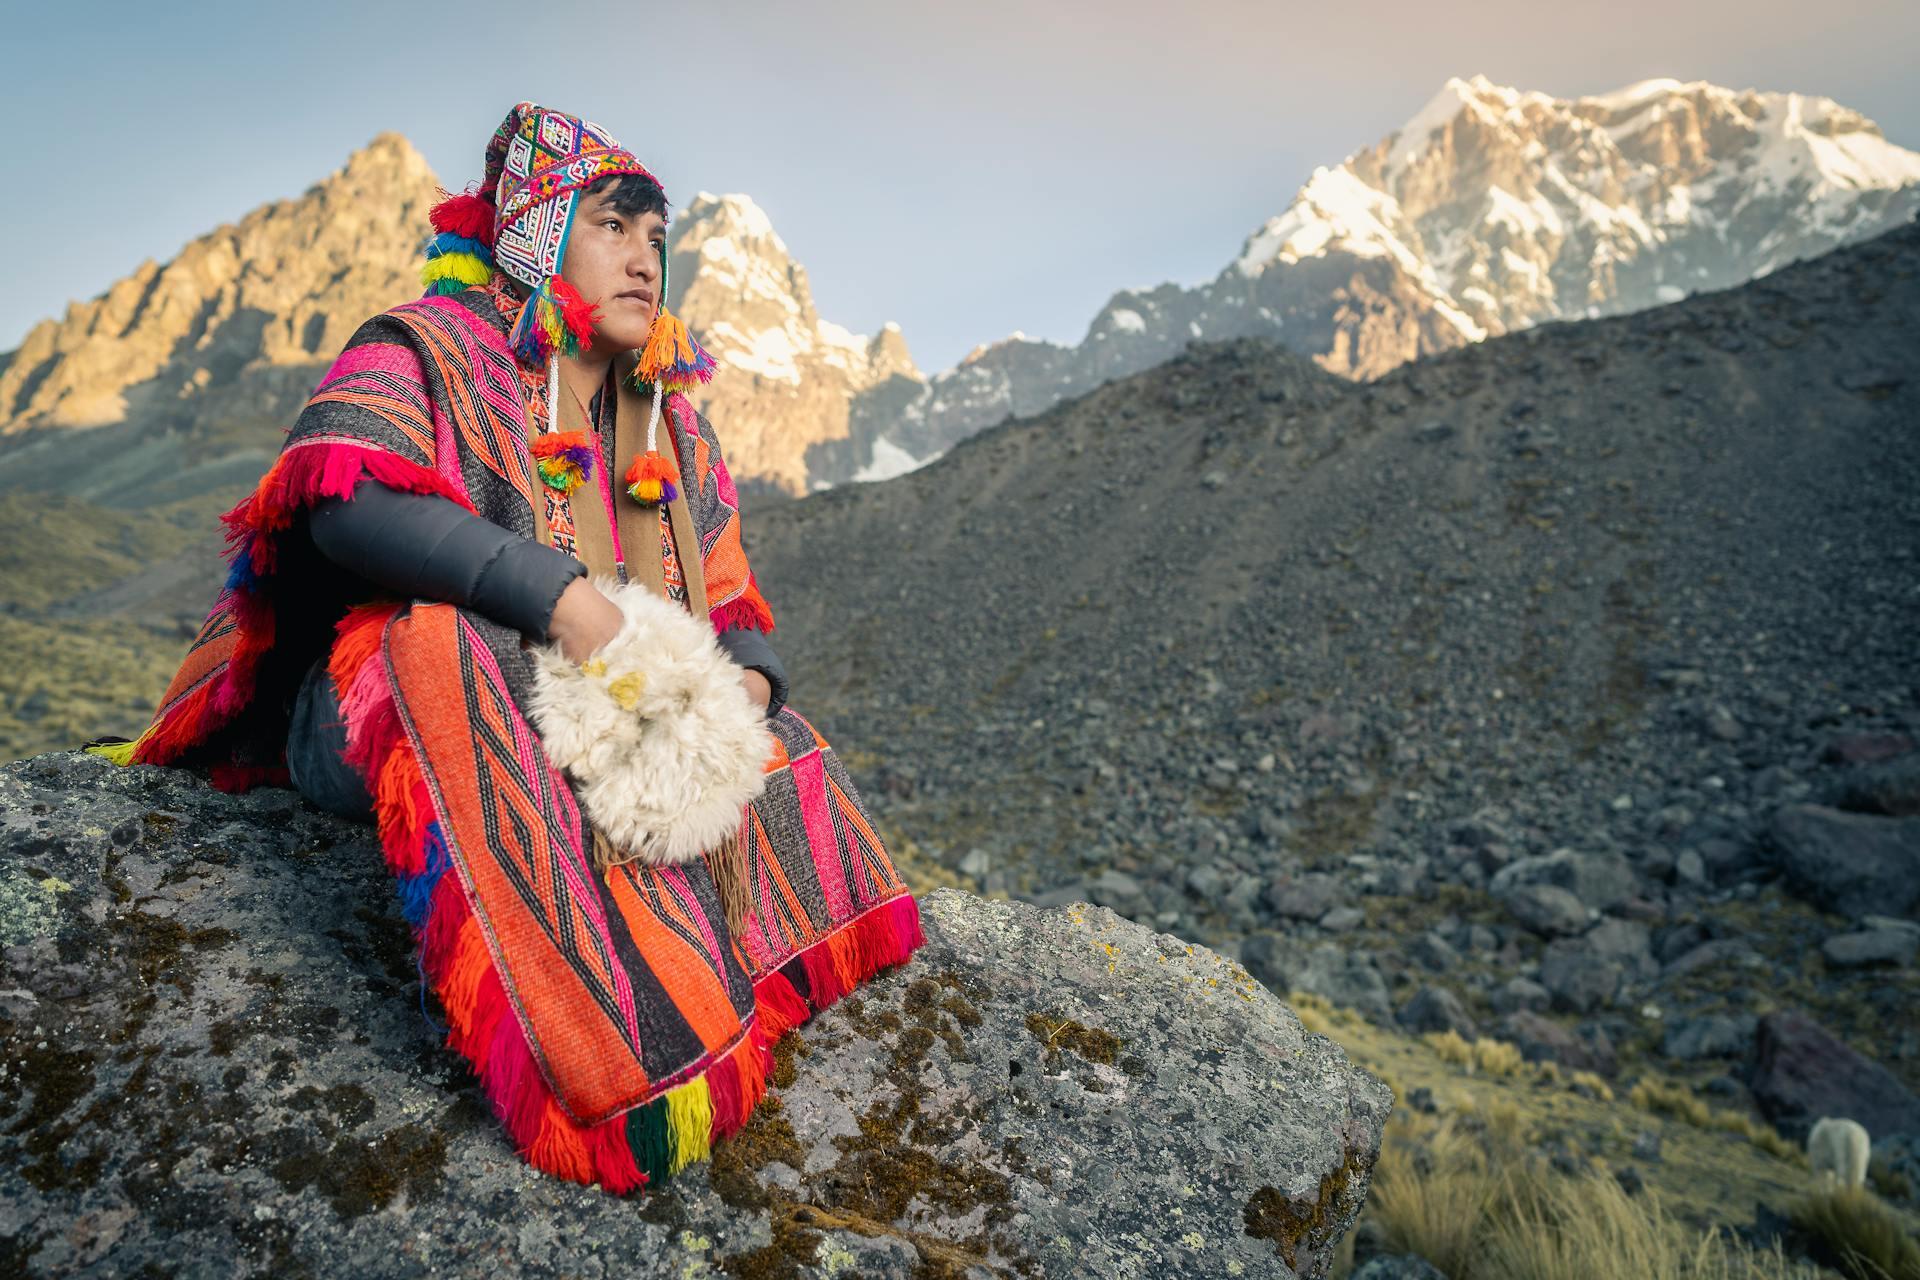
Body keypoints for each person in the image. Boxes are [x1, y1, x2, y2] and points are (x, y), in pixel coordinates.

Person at [90, 101, 925, 1195]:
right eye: (614, 227)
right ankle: (615, 1057)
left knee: (777, 738)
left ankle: (744, 972)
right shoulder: (424, 343)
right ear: (535, 235)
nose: (646, 258)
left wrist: (745, 688)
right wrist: (571, 604)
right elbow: (349, 497)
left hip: (595, 707)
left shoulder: (672, 419)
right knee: (450, 648)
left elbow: (731, 605)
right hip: (382, 710)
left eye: (657, 240)